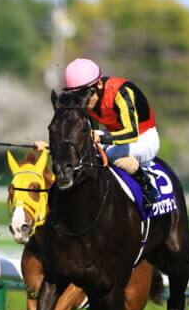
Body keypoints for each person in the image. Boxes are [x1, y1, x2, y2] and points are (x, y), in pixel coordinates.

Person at [62, 58, 159, 208]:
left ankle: (146, 185)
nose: (82, 101)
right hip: (115, 136)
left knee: (112, 153)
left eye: (85, 94)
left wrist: (102, 138)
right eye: (77, 96)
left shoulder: (122, 92)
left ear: (99, 84)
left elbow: (132, 133)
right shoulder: (86, 100)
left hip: (143, 138)